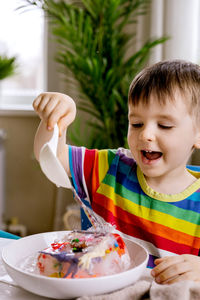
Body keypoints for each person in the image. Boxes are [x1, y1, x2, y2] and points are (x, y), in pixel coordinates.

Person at [33, 59, 200, 285]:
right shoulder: (111, 168)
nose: (146, 135)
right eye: (137, 123)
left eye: (165, 125)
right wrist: (55, 120)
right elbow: (52, 158)